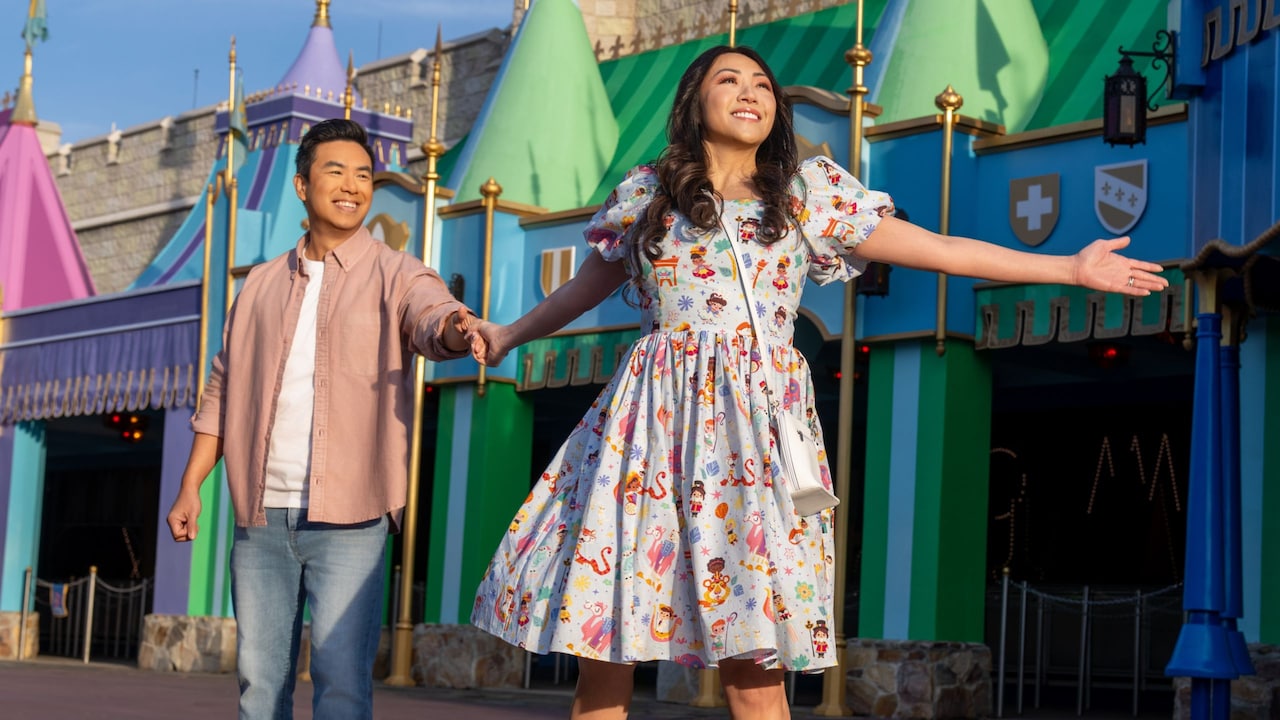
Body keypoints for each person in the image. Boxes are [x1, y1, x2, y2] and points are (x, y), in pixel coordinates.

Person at [466, 46, 1167, 720]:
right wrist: (506, 335)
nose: (749, 93)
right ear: (693, 101)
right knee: (606, 644)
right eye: (729, 80)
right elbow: (579, 293)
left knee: (755, 654)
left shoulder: (810, 192)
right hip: (650, 427)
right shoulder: (646, 194)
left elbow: (945, 250)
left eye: (762, 85)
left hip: (760, 434)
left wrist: (1070, 270)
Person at [165, 118, 477, 720]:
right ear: (303, 186)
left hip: (351, 518)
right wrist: (190, 486)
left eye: (364, 175)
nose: (353, 186)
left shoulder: (395, 271)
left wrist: (456, 327)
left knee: (340, 684)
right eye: (336, 171)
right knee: (260, 685)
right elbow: (223, 390)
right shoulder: (256, 285)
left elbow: (431, 313)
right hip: (260, 518)